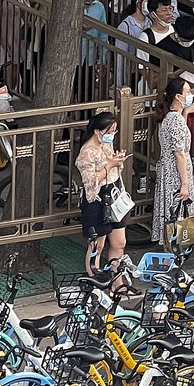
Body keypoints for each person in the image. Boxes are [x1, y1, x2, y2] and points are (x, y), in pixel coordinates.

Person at [74, 111, 128, 274]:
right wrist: (110, 165)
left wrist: (118, 161)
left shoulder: (106, 145)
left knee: (119, 243)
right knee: (97, 244)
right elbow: (90, 182)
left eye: (114, 132)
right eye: (109, 132)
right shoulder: (86, 152)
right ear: (97, 131)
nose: (112, 136)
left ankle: (116, 280)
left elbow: (114, 169)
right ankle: (95, 280)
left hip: (115, 193)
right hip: (98, 198)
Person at [152, 78, 194, 243]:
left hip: (168, 170)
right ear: (179, 97)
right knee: (177, 214)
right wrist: (184, 183)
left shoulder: (170, 117)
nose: (190, 95)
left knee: (171, 213)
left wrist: (185, 114)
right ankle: (174, 251)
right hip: (175, 173)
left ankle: (171, 248)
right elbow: (179, 153)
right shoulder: (175, 120)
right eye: (188, 92)